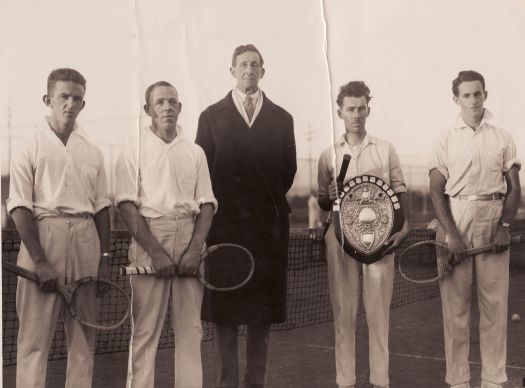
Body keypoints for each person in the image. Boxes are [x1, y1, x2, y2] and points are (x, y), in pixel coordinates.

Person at [196, 44, 296, 388]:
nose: (249, 69)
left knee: (260, 317)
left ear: (263, 72)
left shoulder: (282, 119)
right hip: (224, 230)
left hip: (268, 232)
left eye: (255, 64)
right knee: (224, 317)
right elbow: (202, 174)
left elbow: (288, 172)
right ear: (232, 71)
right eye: (243, 64)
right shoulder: (210, 117)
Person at [6, 68, 111, 388]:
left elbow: (102, 207)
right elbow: (19, 207)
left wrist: (104, 259)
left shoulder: (92, 150)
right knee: (34, 340)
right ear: (47, 99)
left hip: (85, 240)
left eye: (77, 98)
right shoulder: (28, 145)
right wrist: (40, 261)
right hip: (43, 236)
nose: (70, 103)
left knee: (84, 340)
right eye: (63, 96)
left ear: (83, 103)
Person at [115, 81, 216, 388]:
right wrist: (156, 253)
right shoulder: (133, 150)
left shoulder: (195, 152)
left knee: (190, 331)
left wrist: (193, 248)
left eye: (172, 101)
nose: (167, 107)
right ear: (148, 110)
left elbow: (207, 205)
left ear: (180, 108)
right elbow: (126, 206)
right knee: (145, 332)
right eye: (160, 103)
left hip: (189, 239)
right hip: (149, 239)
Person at [429, 70, 521, 388]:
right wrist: (451, 234)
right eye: (466, 95)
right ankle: (458, 381)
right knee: (455, 310)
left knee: (495, 307)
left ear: (485, 95)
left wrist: (504, 226)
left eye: (478, 93)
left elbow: (514, 189)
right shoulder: (444, 138)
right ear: (456, 99)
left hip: (493, 216)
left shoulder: (502, 137)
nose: (473, 100)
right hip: (456, 216)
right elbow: (435, 190)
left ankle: (494, 381)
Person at [317, 81, 410, 388]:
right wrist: (329, 195)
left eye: (361, 108)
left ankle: (380, 382)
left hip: (380, 240)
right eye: (350, 109)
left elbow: (399, 189)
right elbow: (322, 201)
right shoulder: (327, 154)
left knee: (378, 314)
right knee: (343, 314)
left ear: (368, 109)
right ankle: (345, 382)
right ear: (340, 112)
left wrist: (404, 225)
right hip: (340, 238)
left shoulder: (385, 149)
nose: (356, 114)